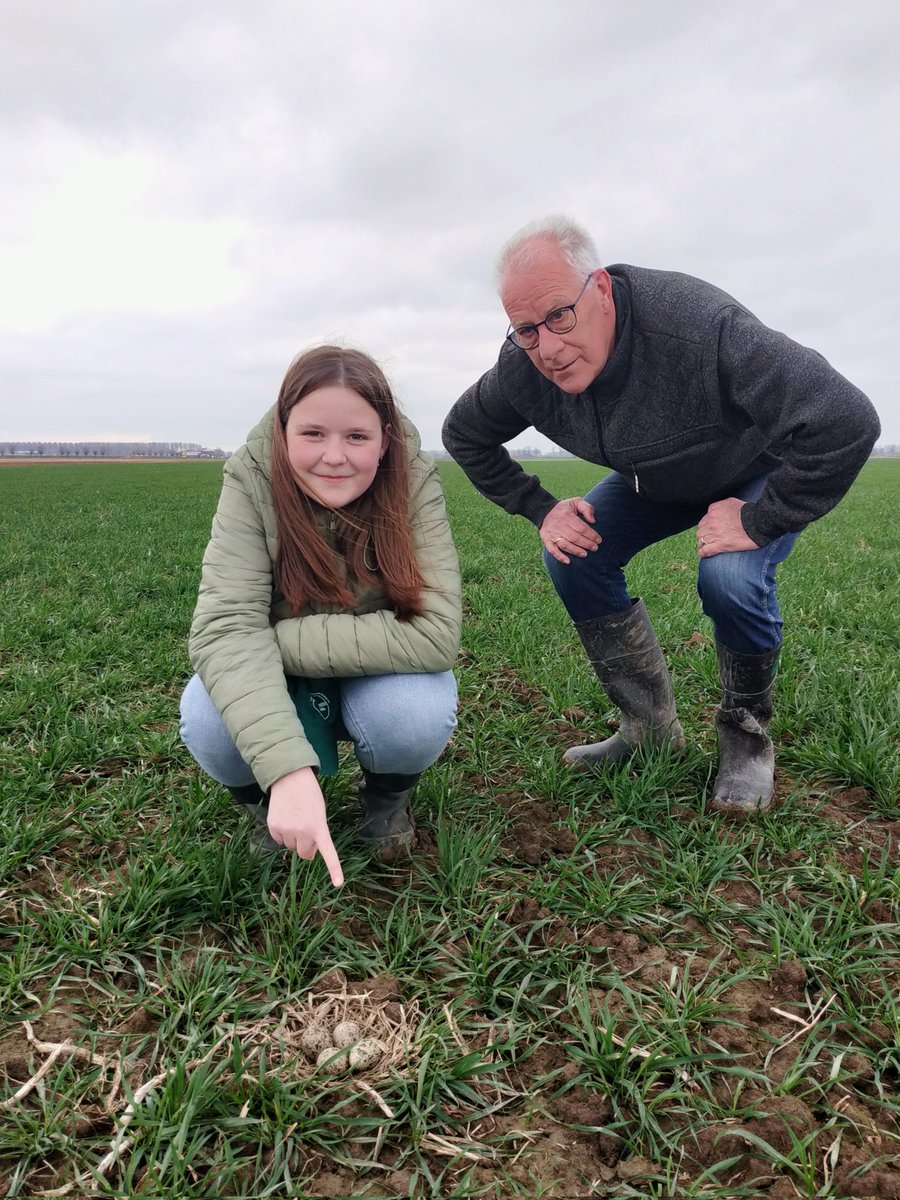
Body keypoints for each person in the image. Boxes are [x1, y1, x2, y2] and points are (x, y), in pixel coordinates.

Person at [442, 216, 880, 814]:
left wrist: (758, 520)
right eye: (525, 329)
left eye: (558, 316)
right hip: (656, 478)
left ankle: (746, 740)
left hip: (752, 471)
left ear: (599, 289)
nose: (547, 346)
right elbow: (463, 434)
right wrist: (539, 508)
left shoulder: (699, 329)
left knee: (730, 577)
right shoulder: (525, 368)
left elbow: (845, 419)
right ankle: (649, 730)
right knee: (572, 550)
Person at [180, 345, 461, 885]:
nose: (335, 455)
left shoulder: (414, 480)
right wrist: (286, 771)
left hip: (377, 667)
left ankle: (385, 801)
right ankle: (267, 809)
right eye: (313, 434)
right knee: (207, 719)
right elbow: (225, 625)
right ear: (284, 433)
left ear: (384, 442)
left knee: (413, 715)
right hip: (299, 669)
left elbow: (435, 633)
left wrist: (272, 639)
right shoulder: (250, 480)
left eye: (357, 436)